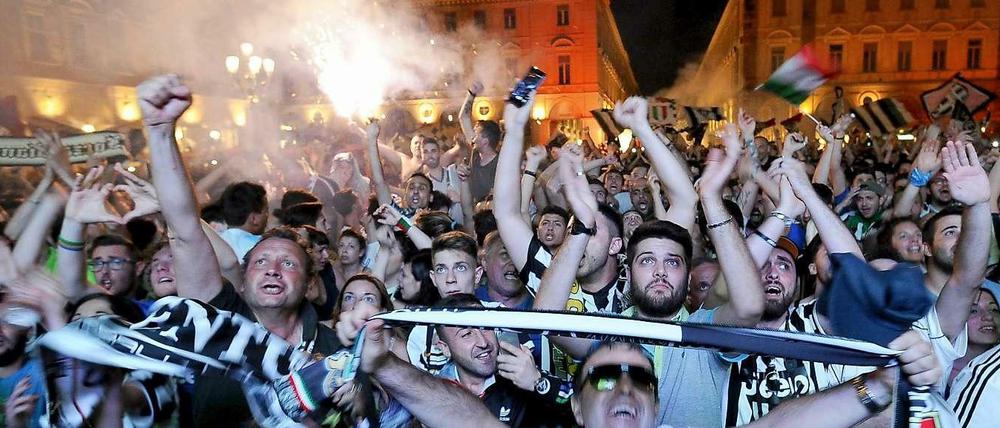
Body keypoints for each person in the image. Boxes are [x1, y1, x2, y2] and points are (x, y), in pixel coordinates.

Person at [135, 74, 343, 425]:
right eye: (261, 261)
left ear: (308, 282)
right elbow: (184, 230)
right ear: (243, 281)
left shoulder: (333, 346)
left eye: (288, 263)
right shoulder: (218, 320)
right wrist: (159, 131)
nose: (273, 268)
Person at [218, 181, 268, 261]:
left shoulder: (212, 243)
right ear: (254, 219)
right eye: (266, 211)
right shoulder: (264, 247)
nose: (267, 216)